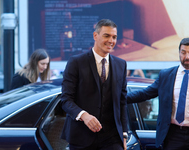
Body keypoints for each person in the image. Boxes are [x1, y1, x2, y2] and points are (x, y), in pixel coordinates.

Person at [60, 19, 128, 150]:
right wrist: (84, 116)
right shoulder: (76, 62)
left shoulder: (121, 65)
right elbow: (66, 100)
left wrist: (124, 134)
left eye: (114, 37)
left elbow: (122, 102)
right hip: (81, 138)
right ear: (95, 36)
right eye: (106, 35)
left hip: (112, 138)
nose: (111, 41)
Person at [127, 37, 189, 150]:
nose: (187, 57)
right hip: (173, 135)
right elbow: (145, 94)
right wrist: (119, 98)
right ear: (179, 52)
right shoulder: (166, 75)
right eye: (183, 52)